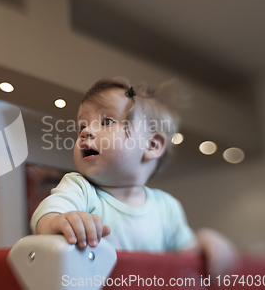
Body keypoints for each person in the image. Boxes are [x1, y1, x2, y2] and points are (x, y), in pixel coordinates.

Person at [31, 76, 237, 276]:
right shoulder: (80, 189)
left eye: (107, 121)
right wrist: (59, 221)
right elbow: (47, 216)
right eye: (82, 126)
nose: (86, 132)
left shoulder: (166, 207)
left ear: (152, 145)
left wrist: (205, 243)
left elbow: (185, 263)